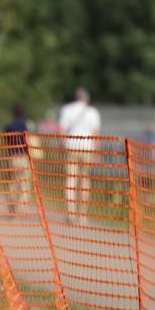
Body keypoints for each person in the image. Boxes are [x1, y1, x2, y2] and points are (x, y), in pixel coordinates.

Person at [59, 86, 101, 223]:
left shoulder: (67, 109)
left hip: (72, 146)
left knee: (70, 179)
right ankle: (82, 215)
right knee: (85, 180)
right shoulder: (93, 112)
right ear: (87, 99)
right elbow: (96, 133)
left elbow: (61, 130)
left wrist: (63, 145)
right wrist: (97, 152)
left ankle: (71, 213)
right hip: (87, 147)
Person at [3, 102, 32, 210]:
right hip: (23, 156)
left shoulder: (9, 126)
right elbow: (28, 141)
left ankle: (12, 205)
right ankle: (22, 206)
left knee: (12, 182)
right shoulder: (26, 125)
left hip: (12, 156)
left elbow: (5, 139)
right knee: (24, 182)